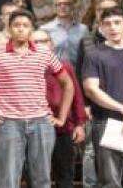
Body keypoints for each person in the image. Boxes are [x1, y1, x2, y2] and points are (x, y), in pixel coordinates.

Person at [0, 8, 74, 188]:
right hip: (8, 123)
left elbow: (68, 84)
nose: (21, 29)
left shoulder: (44, 52)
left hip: (41, 122)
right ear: (9, 28)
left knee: (42, 178)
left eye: (25, 25)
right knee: (9, 179)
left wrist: (61, 117)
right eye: (16, 25)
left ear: (31, 29)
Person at [81, 7, 123, 187]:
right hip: (107, 122)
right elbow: (91, 90)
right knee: (110, 182)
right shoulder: (94, 55)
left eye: (117, 23)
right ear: (101, 28)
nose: (112, 27)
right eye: (107, 24)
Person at [31, 29, 87, 188]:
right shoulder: (25, 67)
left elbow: (76, 96)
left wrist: (79, 124)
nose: (40, 45)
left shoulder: (64, 67)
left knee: (65, 175)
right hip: (33, 128)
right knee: (37, 176)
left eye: (44, 41)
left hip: (62, 127)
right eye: (36, 42)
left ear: (52, 44)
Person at [41, 0, 89, 71]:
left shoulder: (83, 29)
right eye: (59, 4)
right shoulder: (45, 29)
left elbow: (89, 54)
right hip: (54, 73)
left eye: (66, 4)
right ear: (55, 8)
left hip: (78, 73)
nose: (62, 7)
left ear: (72, 7)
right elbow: (42, 55)